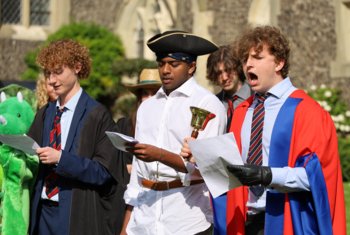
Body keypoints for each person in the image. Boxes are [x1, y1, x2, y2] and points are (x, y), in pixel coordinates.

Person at [225, 26, 346, 234]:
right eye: (245, 59)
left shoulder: (307, 111)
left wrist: (267, 175)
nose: (248, 65)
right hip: (245, 223)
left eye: (257, 57)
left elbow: (317, 178)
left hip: (288, 220)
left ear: (279, 63)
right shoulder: (242, 112)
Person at [121, 30, 226, 235]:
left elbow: (211, 170)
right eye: (161, 64)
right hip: (145, 219)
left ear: (191, 67)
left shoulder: (208, 104)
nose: (165, 70)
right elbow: (137, 175)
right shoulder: (146, 107)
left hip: (187, 220)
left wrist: (159, 155)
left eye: (174, 64)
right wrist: (126, 226)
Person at [27, 39, 124, 235]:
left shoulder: (98, 115)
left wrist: (62, 159)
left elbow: (104, 173)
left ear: (77, 67)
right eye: (48, 73)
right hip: (42, 213)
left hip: (76, 214)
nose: (52, 80)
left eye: (58, 71)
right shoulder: (45, 113)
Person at [206, 44, 252, 130]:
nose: (224, 77)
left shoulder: (256, 96)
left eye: (228, 70)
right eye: (219, 73)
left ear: (238, 68)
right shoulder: (214, 102)